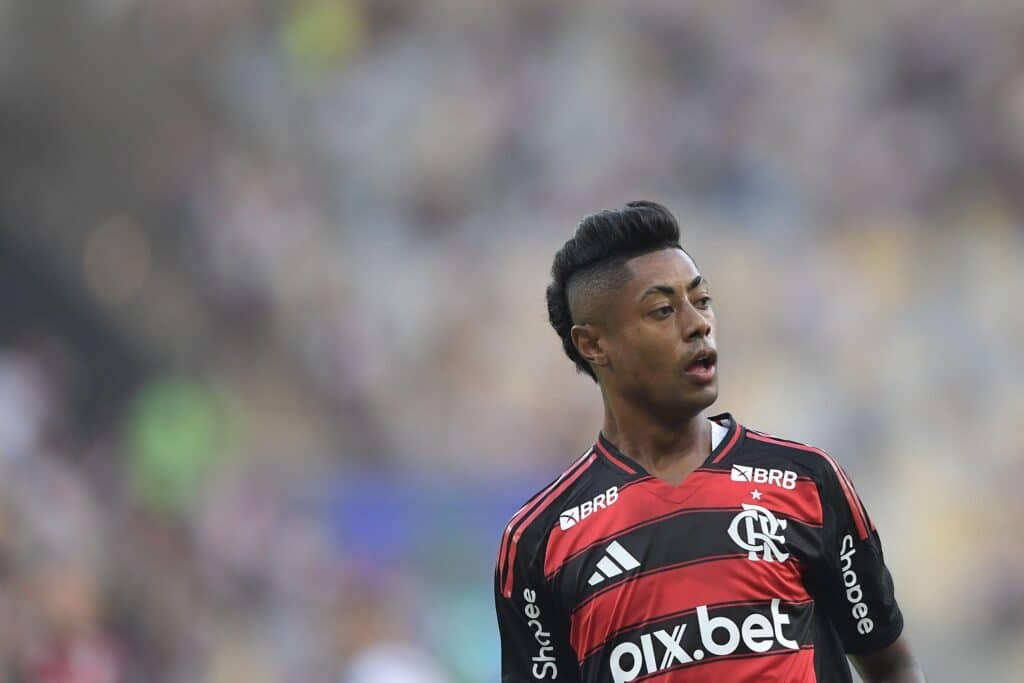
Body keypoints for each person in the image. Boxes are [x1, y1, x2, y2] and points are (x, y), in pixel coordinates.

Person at [494, 201, 925, 682]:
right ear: (593, 344)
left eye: (701, 301)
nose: (698, 323)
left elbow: (891, 666)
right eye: (662, 310)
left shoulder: (806, 481)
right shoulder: (539, 539)